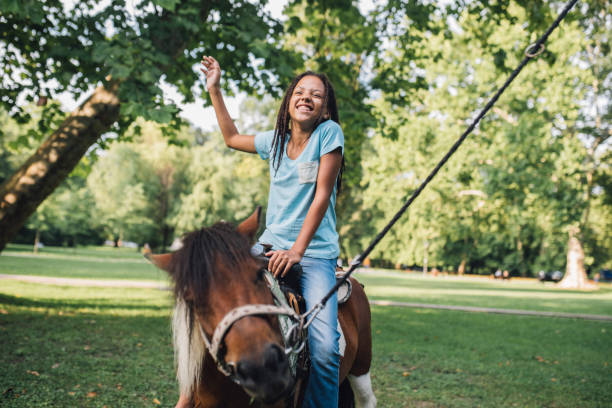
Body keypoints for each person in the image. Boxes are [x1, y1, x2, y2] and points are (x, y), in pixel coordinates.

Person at [175, 56, 344, 408]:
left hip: (313, 255)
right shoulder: (275, 141)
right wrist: (215, 89)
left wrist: (296, 252)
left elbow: (321, 197)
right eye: (300, 91)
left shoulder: (329, 134)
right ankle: (188, 395)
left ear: (325, 109)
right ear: (289, 100)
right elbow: (232, 137)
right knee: (213, 296)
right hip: (268, 248)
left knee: (327, 349)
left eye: (316, 94)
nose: (306, 97)